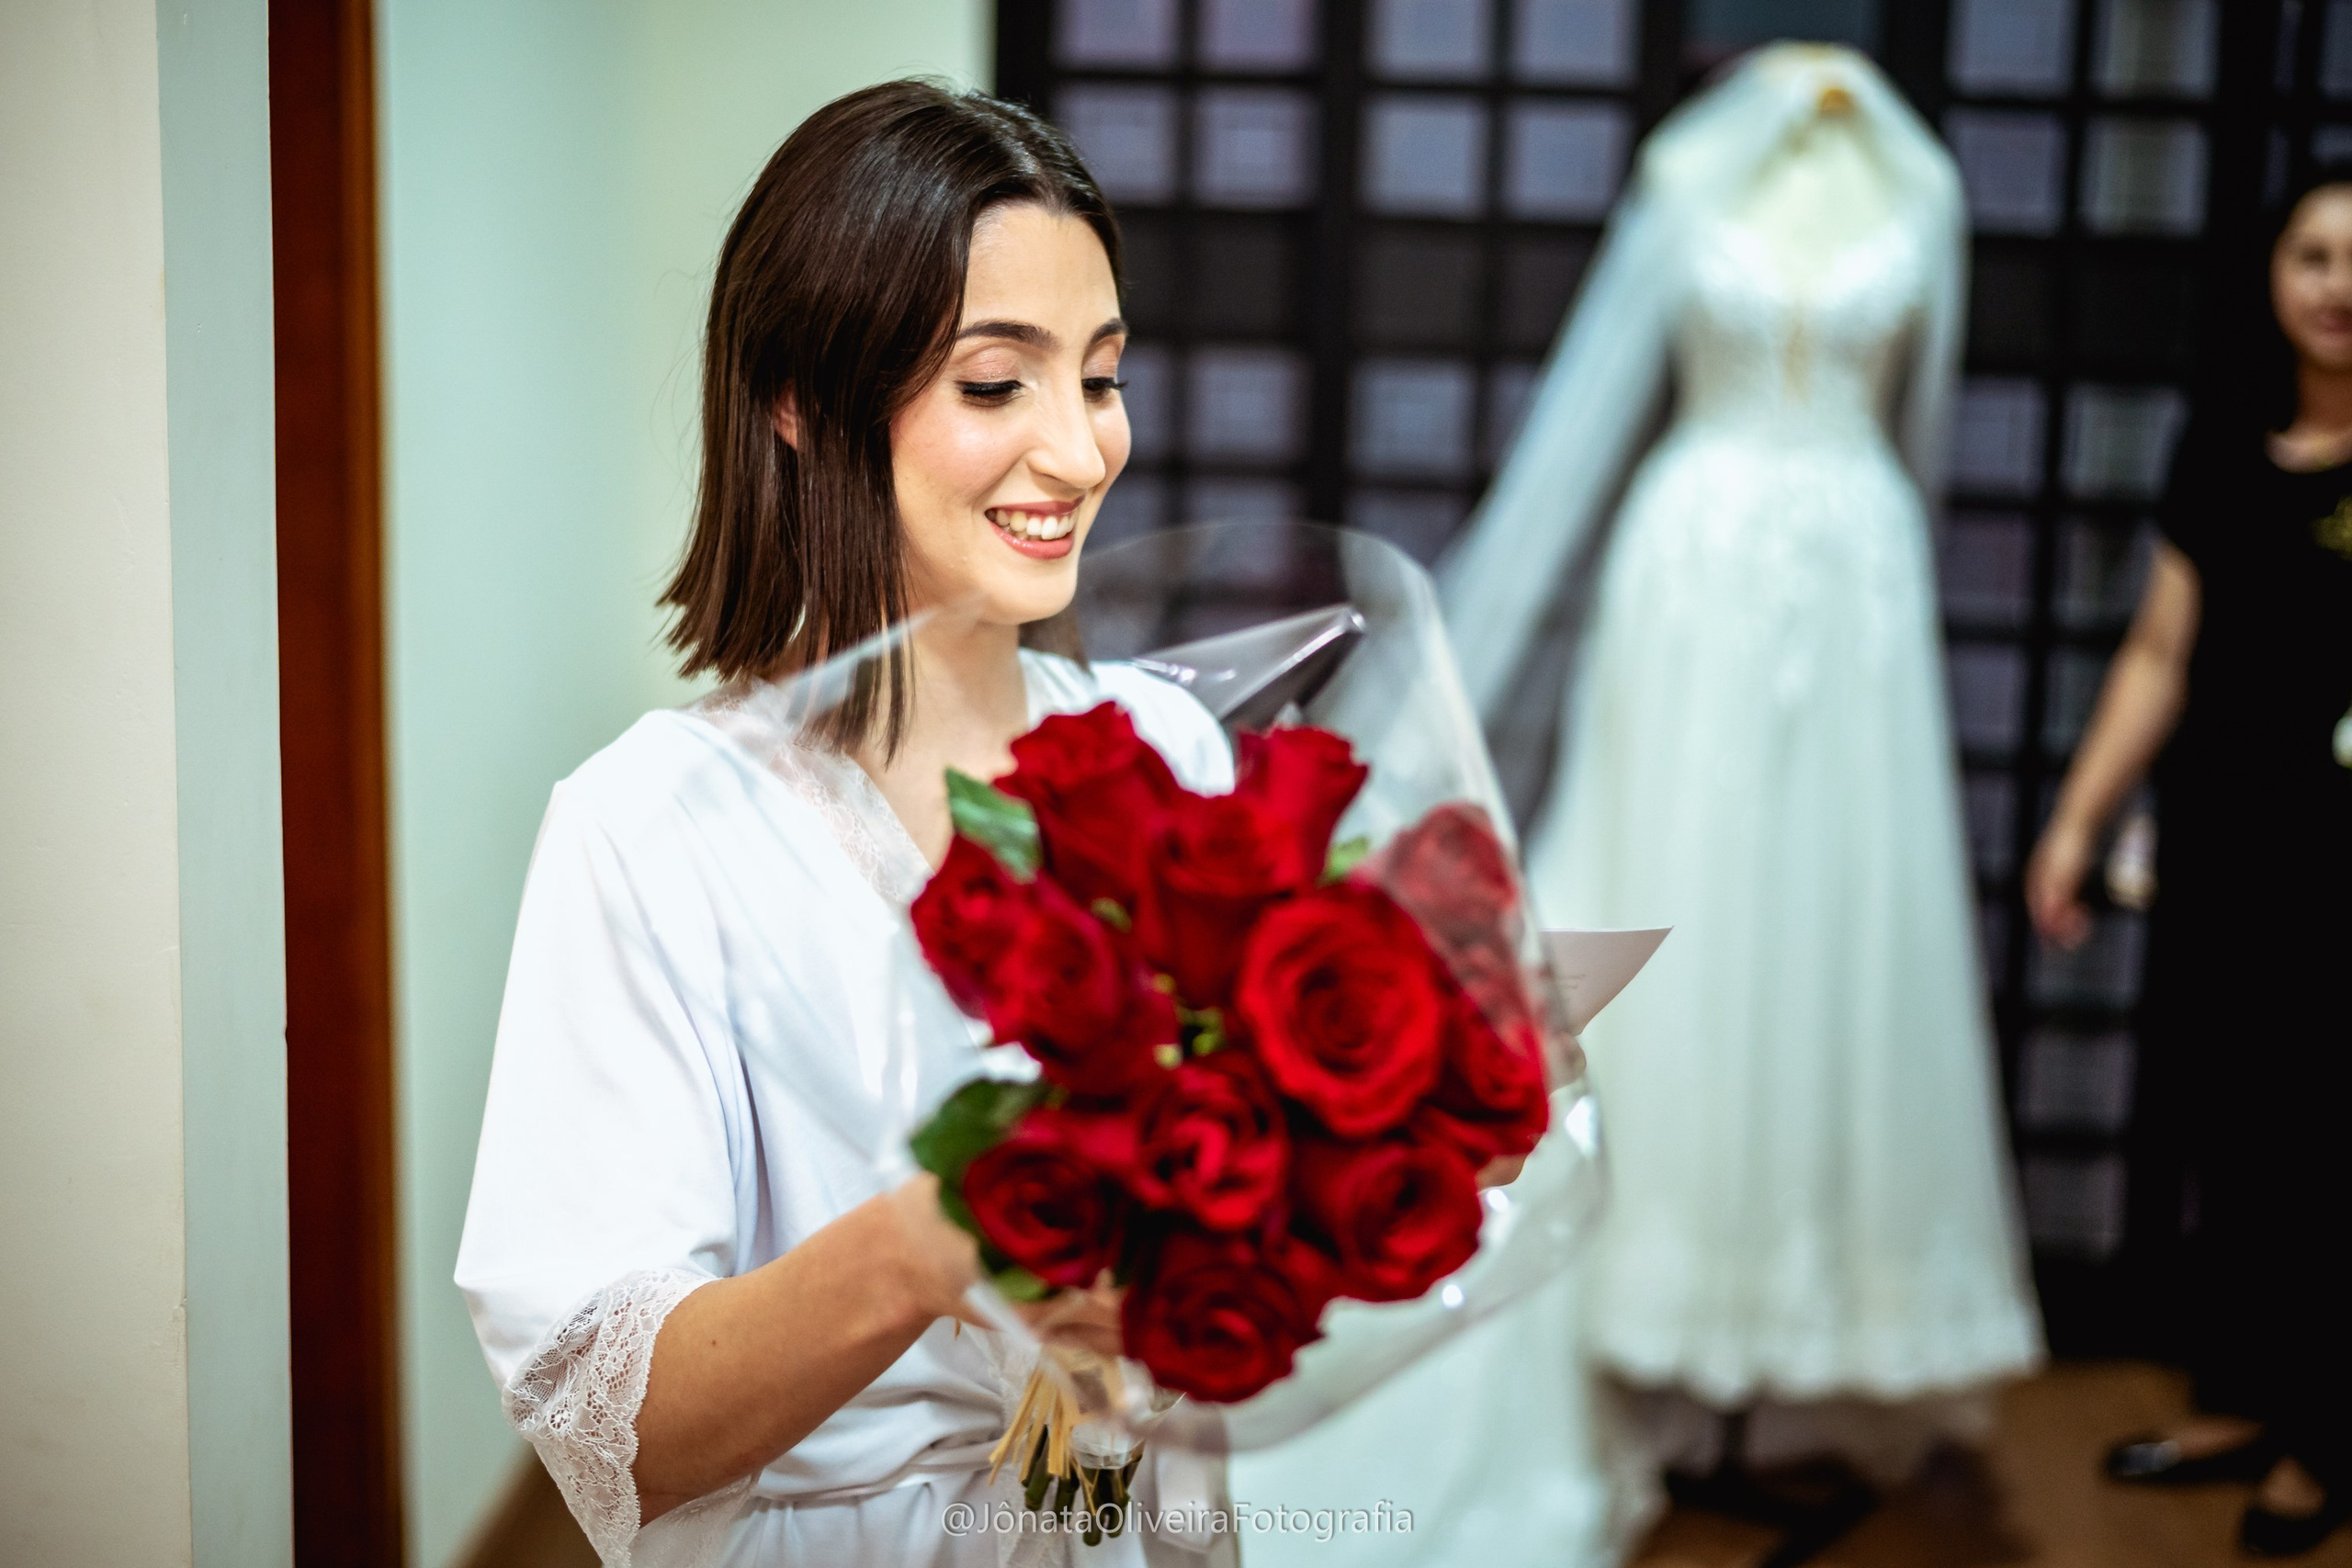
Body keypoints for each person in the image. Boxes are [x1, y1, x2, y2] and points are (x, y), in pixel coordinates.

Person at [455, 82, 1236, 1568]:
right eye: (997, 386)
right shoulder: (653, 830)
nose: (1078, 454)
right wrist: (924, 1248)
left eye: (1104, 376)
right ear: (798, 400)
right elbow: (614, 1431)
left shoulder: (1171, 753)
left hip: (1125, 1522)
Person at [2026, 172, 2352, 1557]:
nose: (2340, 287)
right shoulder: (2223, 445)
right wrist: (2078, 825)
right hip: (2227, 839)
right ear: (2272, 271)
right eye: (2317, 254)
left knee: (2336, 1142)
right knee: (2239, 1128)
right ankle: (2240, 1399)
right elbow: (2161, 651)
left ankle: (2328, 1442)